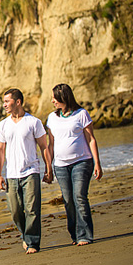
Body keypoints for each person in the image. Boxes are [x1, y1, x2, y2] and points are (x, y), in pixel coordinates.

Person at [0, 88, 53, 254]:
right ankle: (25, 235)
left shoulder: (33, 122)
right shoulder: (3, 125)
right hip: (11, 174)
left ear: (18, 102)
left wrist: (49, 168)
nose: (4, 105)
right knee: (15, 211)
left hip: (31, 171)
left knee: (32, 209)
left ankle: (33, 242)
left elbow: (43, 146)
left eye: (7, 101)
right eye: (4, 102)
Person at [46, 83, 103, 246]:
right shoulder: (52, 118)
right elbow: (51, 144)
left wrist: (97, 163)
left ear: (64, 97)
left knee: (79, 196)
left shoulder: (81, 114)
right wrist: (49, 167)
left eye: (54, 98)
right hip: (61, 166)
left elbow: (91, 139)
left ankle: (85, 234)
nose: (52, 101)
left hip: (82, 162)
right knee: (68, 200)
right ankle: (75, 234)